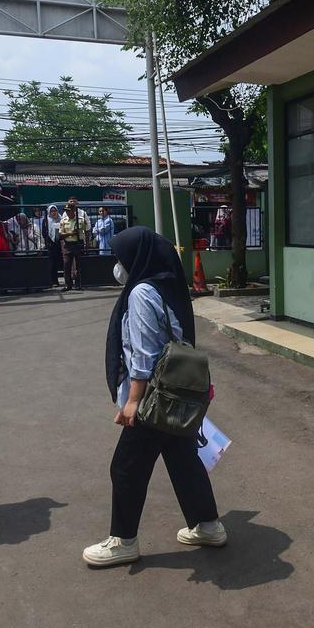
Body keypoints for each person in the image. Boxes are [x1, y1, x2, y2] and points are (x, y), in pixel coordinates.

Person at [83, 227, 223, 567]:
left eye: (120, 258)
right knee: (183, 460)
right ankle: (208, 525)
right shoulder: (167, 285)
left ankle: (123, 541)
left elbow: (144, 354)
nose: (118, 266)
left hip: (153, 398)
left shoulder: (142, 292)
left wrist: (133, 401)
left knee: (126, 468)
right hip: (177, 393)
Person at [59, 199, 89, 290]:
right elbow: (60, 234)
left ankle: (78, 284)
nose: (67, 213)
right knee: (66, 265)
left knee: (79, 265)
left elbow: (87, 231)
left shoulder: (81, 220)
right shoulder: (63, 221)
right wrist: (70, 233)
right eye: (66, 211)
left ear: (73, 210)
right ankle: (68, 284)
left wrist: (87, 244)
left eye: (69, 211)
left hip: (78, 244)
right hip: (68, 245)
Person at [42, 205, 63, 286]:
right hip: (50, 244)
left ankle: (68, 281)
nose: (54, 213)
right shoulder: (46, 220)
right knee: (52, 263)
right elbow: (44, 233)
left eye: (55, 211)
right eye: (52, 211)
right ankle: (54, 281)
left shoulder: (61, 219)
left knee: (60, 262)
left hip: (60, 243)